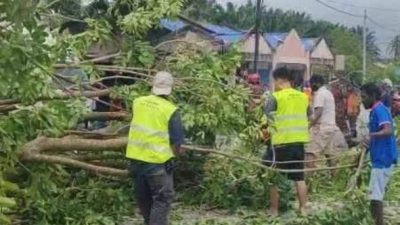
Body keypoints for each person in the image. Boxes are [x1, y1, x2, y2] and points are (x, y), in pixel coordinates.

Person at [126, 71, 185, 225]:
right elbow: (176, 142)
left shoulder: (137, 102)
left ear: (153, 86)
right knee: (162, 200)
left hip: (135, 162)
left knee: (144, 198)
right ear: (170, 89)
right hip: (157, 164)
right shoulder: (171, 110)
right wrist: (176, 156)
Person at [262, 67, 309, 216]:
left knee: (274, 177)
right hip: (299, 143)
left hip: (280, 142)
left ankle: (274, 210)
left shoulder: (275, 97)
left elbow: (267, 119)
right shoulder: (303, 97)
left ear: (278, 80)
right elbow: (310, 115)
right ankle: (303, 209)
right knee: (299, 177)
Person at [360, 83, 397, 225]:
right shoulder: (375, 110)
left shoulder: (379, 110)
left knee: (375, 197)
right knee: (374, 194)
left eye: (364, 97)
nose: (362, 100)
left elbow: (387, 130)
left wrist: (371, 136)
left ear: (373, 96)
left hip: (383, 158)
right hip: (380, 157)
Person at [306, 75, 347, 177]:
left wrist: (308, 125)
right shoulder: (328, 93)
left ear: (317, 83)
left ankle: (307, 181)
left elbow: (318, 113)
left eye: (312, 84)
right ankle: (335, 180)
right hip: (331, 128)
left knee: (310, 154)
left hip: (322, 128)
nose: (311, 86)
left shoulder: (320, 94)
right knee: (330, 156)